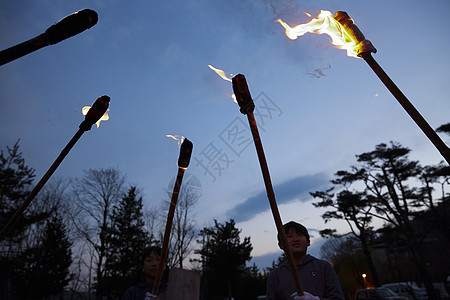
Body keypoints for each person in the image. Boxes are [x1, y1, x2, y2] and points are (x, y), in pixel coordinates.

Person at [266, 221, 344, 300]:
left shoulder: (323, 267)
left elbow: (338, 298)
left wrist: (315, 299)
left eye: (299, 235)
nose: (295, 239)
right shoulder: (275, 275)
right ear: (281, 245)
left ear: (308, 242)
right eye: (289, 236)